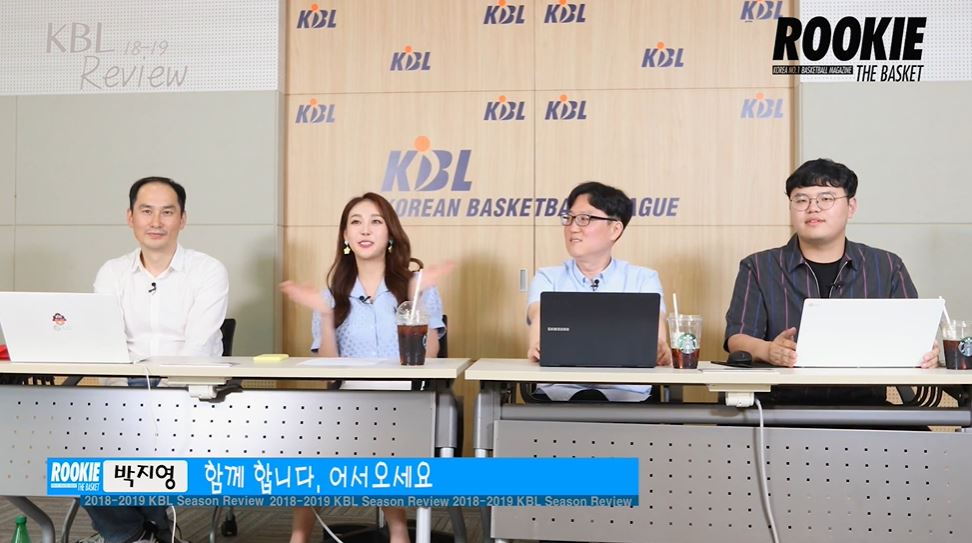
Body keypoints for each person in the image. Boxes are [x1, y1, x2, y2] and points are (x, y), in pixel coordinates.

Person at [281, 192, 447, 543]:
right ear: (345, 236)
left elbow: (431, 354)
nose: (365, 230)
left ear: (390, 233)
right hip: (348, 400)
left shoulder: (415, 287)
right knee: (305, 443)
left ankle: (398, 530)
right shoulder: (331, 297)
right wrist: (325, 315)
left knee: (380, 428)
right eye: (355, 222)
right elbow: (329, 369)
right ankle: (299, 537)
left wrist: (418, 300)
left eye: (375, 221)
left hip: (406, 399)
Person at [724, 158, 938, 404]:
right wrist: (769, 351)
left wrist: (926, 352)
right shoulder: (759, 267)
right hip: (780, 406)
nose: (813, 208)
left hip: (865, 407)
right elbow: (737, 338)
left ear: (851, 207)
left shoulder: (887, 266)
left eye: (826, 199)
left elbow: (913, 336)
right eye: (801, 200)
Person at [85, 176, 229, 543]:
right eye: (146, 211)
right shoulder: (112, 272)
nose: (156, 222)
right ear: (130, 217)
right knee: (77, 455)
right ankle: (143, 534)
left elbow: (198, 345)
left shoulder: (208, 271)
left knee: (141, 438)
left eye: (167, 212)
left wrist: (154, 391)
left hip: (185, 394)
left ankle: (136, 534)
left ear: (183, 219)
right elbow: (104, 342)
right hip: (119, 394)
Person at [526, 181, 672, 402]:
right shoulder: (548, 277)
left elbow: (656, 338)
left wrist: (660, 350)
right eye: (569, 218)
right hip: (558, 397)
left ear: (615, 229)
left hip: (628, 399)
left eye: (584, 219)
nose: (573, 227)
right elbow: (539, 319)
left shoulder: (643, 279)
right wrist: (538, 346)